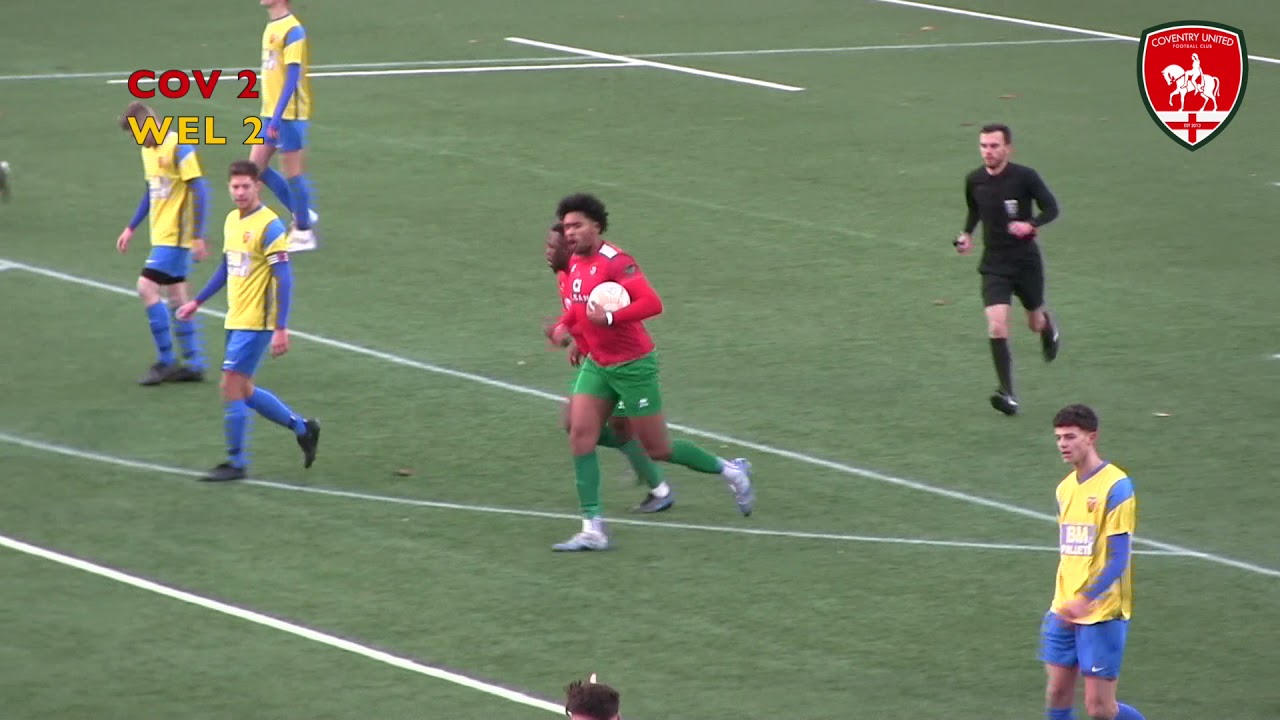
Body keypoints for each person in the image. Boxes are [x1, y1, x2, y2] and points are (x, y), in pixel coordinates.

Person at [548, 193, 754, 552]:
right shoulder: (576, 264)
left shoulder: (616, 261)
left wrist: (610, 317)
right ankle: (592, 528)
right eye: (565, 227)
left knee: (657, 447)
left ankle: (731, 471)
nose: (569, 233)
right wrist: (567, 328)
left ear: (596, 225)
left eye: (576, 225)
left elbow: (652, 303)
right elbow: (579, 307)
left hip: (633, 365)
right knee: (581, 434)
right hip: (599, 364)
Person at [177, 160, 320, 481]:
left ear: (258, 186)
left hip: (257, 322)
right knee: (243, 389)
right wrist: (197, 302)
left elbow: (284, 279)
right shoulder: (231, 221)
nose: (240, 192)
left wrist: (281, 328)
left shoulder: (269, 226)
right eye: (235, 187)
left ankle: (236, 463)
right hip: (235, 317)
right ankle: (303, 428)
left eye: (246, 186)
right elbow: (227, 267)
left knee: (230, 385)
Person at [544, 222, 675, 513]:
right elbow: (580, 316)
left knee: (649, 443)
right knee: (580, 426)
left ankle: (720, 470)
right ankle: (656, 486)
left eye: (554, 247)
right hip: (598, 361)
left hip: (622, 364)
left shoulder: (596, 271)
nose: (547, 252)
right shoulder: (567, 277)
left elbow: (610, 315)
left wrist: (576, 336)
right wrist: (571, 336)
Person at [1039, 404, 1146, 720]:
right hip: (1064, 607)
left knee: (1100, 709)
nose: (1062, 444)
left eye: (1070, 437)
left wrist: (1086, 599)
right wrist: (1067, 602)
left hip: (1102, 612)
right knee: (1057, 692)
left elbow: (1118, 559)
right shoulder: (1064, 489)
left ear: (1092, 437)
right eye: (1058, 438)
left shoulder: (1117, 486)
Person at [955, 123, 1061, 415]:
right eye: (984, 146)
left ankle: (1047, 326)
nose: (988, 151)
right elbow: (975, 209)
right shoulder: (974, 180)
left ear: (1007, 148)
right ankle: (1008, 393)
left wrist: (1031, 224)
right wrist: (966, 235)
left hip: (1026, 262)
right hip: (994, 265)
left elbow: (1052, 208)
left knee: (1033, 322)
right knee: (997, 324)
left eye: (994, 146)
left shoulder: (1025, 177)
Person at [116, 101, 209, 386]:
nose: (134, 139)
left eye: (134, 133)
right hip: (162, 235)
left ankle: (166, 360)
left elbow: (200, 190)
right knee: (178, 296)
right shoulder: (148, 151)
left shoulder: (179, 147)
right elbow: (150, 192)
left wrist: (197, 236)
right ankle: (194, 363)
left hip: (176, 237)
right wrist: (131, 227)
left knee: (146, 287)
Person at [252, 0, 318, 252]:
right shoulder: (272, 26)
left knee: (293, 172)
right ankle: (302, 213)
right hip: (271, 112)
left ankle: (303, 233)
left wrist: (277, 118)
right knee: (255, 167)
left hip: (288, 115)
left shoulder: (293, 30)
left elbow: (292, 78)